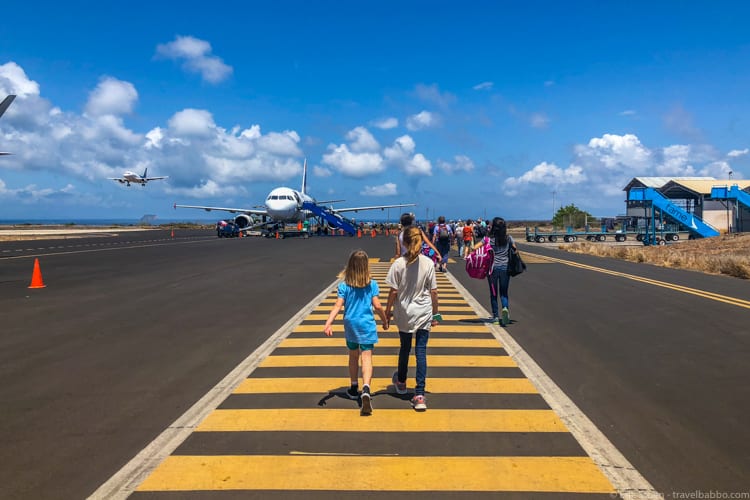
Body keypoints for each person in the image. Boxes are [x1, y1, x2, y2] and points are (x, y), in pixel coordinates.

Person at [323, 250, 387, 415]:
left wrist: (328, 323)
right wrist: (385, 319)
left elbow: (337, 305)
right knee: (367, 357)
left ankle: (353, 387)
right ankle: (366, 389)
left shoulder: (344, 285)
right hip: (366, 325)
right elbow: (378, 306)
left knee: (353, 356)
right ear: (366, 266)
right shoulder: (372, 284)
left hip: (350, 325)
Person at [385, 226, 440, 411]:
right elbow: (433, 292)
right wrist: (435, 313)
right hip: (424, 312)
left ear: (405, 243)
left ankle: (401, 381)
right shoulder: (428, 263)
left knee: (405, 348)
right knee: (421, 352)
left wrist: (387, 311)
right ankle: (419, 394)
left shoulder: (398, 264)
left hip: (404, 313)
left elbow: (393, 291)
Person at [474, 217, 517, 326]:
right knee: (504, 293)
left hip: (492, 269)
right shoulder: (508, 238)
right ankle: (505, 308)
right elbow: (515, 249)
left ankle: (496, 317)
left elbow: (475, 247)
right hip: (505, 268)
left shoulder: (488, 239)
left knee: (493, 294)